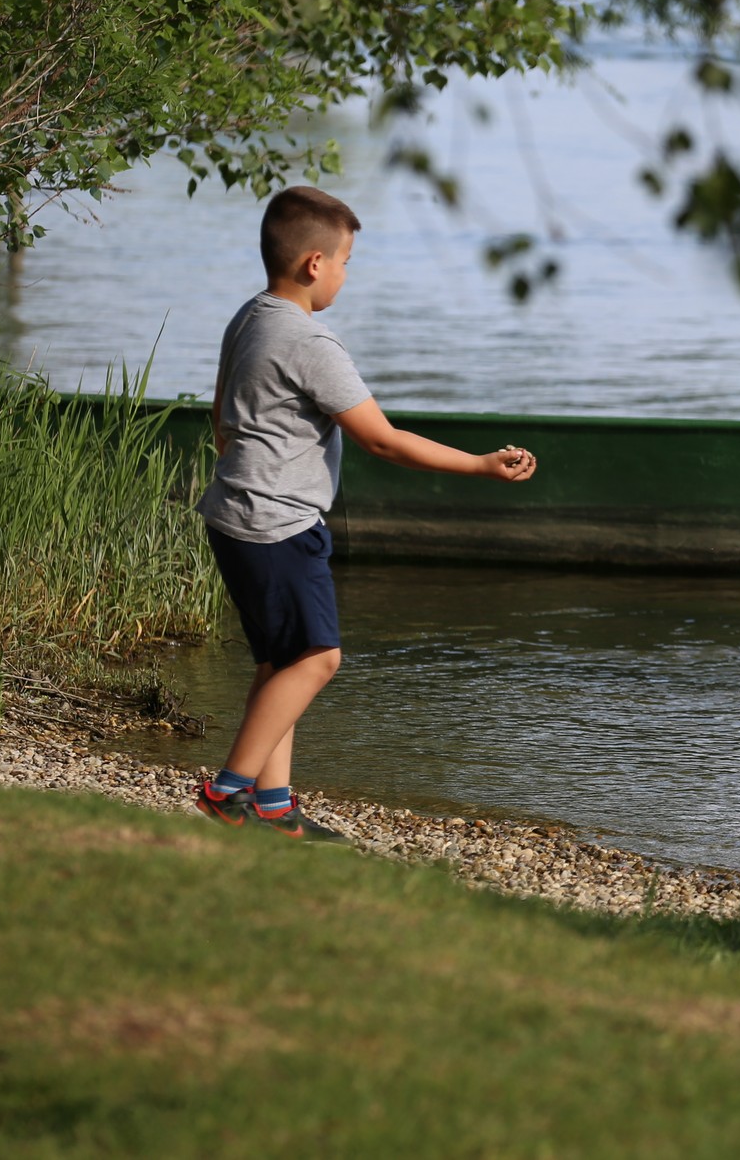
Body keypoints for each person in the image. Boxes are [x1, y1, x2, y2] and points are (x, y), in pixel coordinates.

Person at [194, 186, 537, 838]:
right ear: (315, 264)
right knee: (318, 658)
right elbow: (382, 438)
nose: (348, 274)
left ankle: (274, 808)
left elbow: (221, 415)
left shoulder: (250, 316)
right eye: (348, 261)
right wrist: (481, 464)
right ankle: (226, 789)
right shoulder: (309, 342)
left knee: (280, 663)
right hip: (278, 523)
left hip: (232, 511)